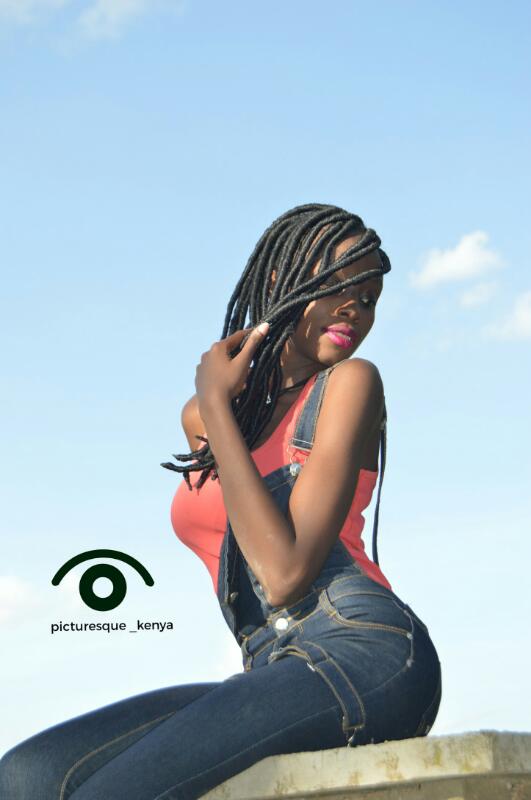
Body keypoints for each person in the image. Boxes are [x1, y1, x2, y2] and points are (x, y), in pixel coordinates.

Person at [0, 203, 442, 799]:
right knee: (27, 775)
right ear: (283, 280)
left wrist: (215, 403)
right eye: (338, 286)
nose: (354, 310)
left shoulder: (350, 384)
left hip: (367, 650)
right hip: (276, 665)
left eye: (368, 299)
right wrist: (214, 409)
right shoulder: (207, 419)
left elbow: (284, 575)